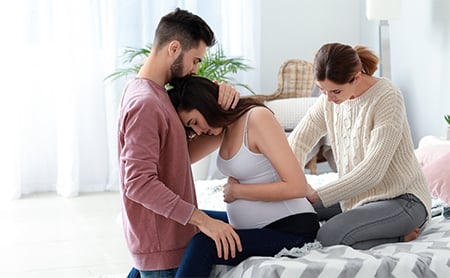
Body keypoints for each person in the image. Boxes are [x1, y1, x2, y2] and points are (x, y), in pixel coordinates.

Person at [118, 8, 243, 278]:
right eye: (195, 60)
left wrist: (219, 117)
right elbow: (138, 183)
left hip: (168, 236)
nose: (196, 69)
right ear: (174, 48)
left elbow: (176, 159)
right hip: (163, 244)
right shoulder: (146, 103)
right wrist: (202, 221)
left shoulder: (153, 93)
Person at [167, 75, 319, 277]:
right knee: (181, 221)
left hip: (290, 229)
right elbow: (177, 158)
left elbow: (297, 186)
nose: (197, 130)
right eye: (191, 127)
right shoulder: (221, 129)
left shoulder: (256, 118)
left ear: (205, 103)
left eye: (195, 122)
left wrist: (238, 191)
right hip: (253, 226)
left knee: (203, 243)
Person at [288, 42, 432, 250]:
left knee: (328, 236)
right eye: (322, 90)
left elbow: (372, 172)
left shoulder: (387, 97)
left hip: (402, 199)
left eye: (335, 91)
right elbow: (298, 141)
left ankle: (401, 237)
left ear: (356, 78)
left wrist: (316, 195)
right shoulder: (329, 99)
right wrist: (293, 182)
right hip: (358, 197)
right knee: (294, 213)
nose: (329, 98)